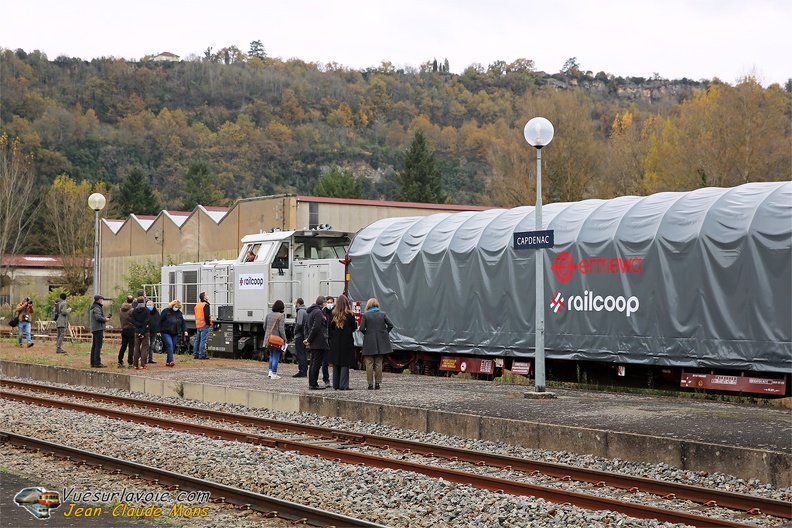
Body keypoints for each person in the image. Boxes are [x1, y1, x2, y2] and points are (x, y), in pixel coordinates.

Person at [359, 298, 393, 390]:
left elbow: (361, 328)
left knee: (369, 363)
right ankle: (377, 383)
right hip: (380, 342)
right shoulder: (383, 314)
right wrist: (384, 333)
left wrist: (367, 334)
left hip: (369, 342)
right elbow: (391, 325)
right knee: (378, 363)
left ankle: (370, 384)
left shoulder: (366, 315)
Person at [328, 294, 357, 390]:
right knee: (345, 363)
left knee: (336, 362)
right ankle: (343, 384)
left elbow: (330, 329)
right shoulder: (350, 315)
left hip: (336, 342)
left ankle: (335, 384)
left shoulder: (333, 315)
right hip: (347, 341)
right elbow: (353, 328)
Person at [303, 295, 329, 390]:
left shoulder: (310, 311)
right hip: (319, 341)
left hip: (313, 341)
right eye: (325, 302)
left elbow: (306, 326)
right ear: (322, 303)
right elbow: (316, 327)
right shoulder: (318, 312)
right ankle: (314, 384)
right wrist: (309, 339)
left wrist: (307, 338)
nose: (326, 304)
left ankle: (312, 382)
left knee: (313, 362)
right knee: (316, 363)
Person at [158, 300, 188, 367]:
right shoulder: (166, 311)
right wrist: (158, 331)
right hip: (166, 331)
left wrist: (185, 330)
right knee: (170, 345)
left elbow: (183, 322)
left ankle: (168, 362)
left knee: (172, 347)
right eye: (175, 306)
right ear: (172, 305)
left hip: (175, 333)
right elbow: (160, 321)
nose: (176, 307)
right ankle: (171, 361)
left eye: (178, 307)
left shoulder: (179, 313)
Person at [263, 300, 286, 379]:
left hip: (268, 338)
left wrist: (268, 334)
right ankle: (274, 373)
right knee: (276, 355)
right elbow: (281, 329)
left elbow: (264, 326)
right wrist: (285, 339)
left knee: (271, 355)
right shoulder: (281, 316)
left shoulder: (268, 314)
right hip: (277, 339)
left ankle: (270, 372)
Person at [89, 295, 111, 368]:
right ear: (98, 300)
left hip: (95, 328)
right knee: (98, 345)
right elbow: (98, 317)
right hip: (98, 328)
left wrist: (103, 318)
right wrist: (105, 319)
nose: (102, 300)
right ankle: (97, 362)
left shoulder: (93, 307)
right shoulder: (97, 307)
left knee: (94, 346)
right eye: (101, 299)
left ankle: (93, 362)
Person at [320, 296, 335, 387]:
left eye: (331, 302)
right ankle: (326, 379)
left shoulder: (335, 312)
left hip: (333, 338)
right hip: (326, 338)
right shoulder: (323, 312)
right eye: (328, 302)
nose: (329, 304)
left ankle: (336, 379)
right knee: (325, 361)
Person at [131, 296, 150, 370]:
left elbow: (133, 321)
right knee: (144, 348)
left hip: (136, 331)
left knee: (136, 348)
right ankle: (143, 364)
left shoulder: (134, 311)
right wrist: (142, 332)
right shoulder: (146, 310)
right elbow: (146, 321)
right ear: (144, 302)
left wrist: (138, 327)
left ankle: (135, 364)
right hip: (145, 331)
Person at [117, 295, 135, 368]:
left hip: (124, 329)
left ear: (126, 300)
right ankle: (130, 362)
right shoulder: (132, 310)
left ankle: (120, 361)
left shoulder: (121, 309)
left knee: (123, 346)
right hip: (131, 329)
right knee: (131, 346)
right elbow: (134, 319)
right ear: (132, 301)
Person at [292, 298, 308, 377]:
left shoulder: (300, 311)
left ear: (298, 304)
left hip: (299, 335)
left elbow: (299, 323)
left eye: (294, 303)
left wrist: (295, 330)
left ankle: (302, 370)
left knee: (300, 353)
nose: (294, 305)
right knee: (303, 353)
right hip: (303, 334)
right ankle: (304, 369)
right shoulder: (305, 310)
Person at [193, 292, 211, 360]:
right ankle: (202, 355)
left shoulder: (197, 305)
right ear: (204, 297)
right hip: (204, 325)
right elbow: (206, 315)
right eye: (206, 295)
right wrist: (208, 323)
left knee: (197, 340)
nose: (207, 296)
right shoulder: (205, 305)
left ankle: (195, 354)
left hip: (198, 325)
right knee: (203, 340)